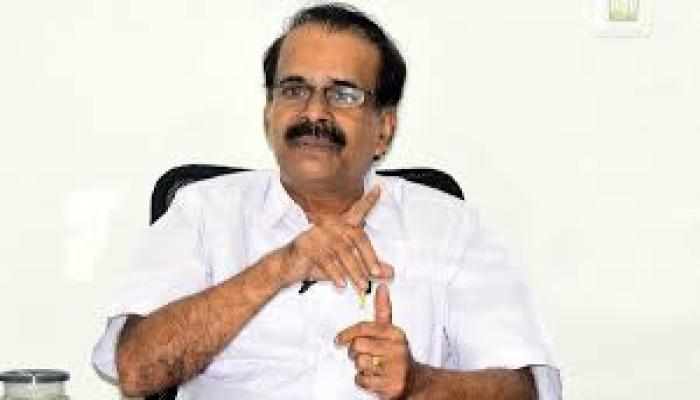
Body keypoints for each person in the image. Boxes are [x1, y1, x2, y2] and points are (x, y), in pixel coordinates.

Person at [92, 3, 561, 399]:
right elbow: (137, 371)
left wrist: (420, 383)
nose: (314, 112)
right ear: (269, 113)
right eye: (294, 90)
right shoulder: (201, 213)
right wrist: (281, 266)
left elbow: (524, 391)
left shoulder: (451, 227)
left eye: (343, 94)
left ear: (384, 129)